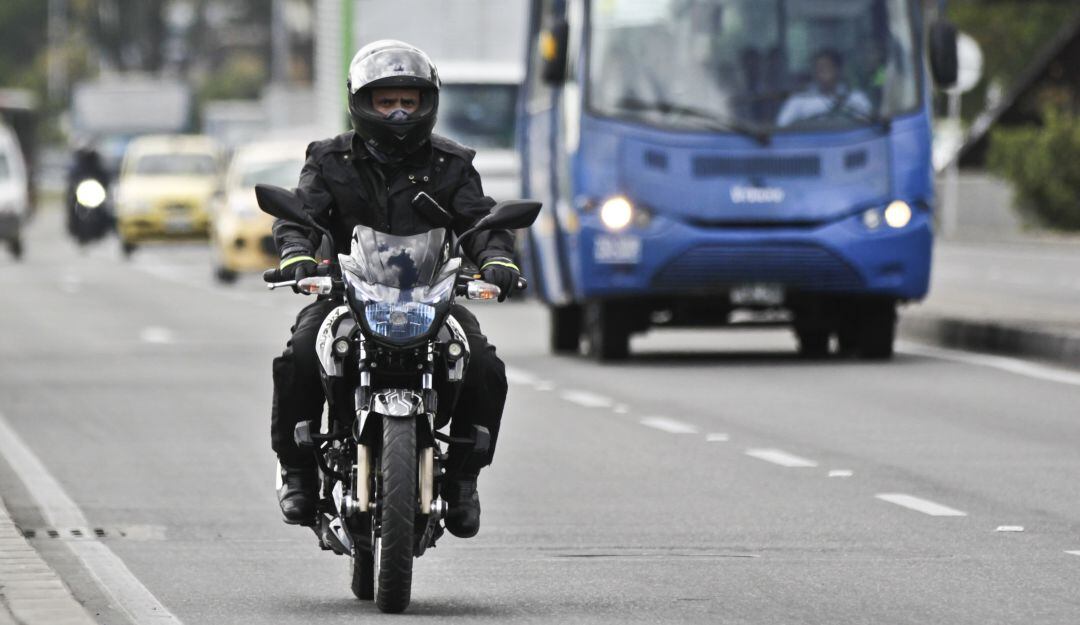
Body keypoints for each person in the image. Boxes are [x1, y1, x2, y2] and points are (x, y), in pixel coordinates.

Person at [269, 40, 521, 539]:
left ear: (428, 102)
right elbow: (300, 214)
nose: (400, 112)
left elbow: (480, 221)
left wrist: (496, 258)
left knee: (483, 364)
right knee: (300, 352)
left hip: (429, 296)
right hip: (347, 296)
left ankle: (464, 480)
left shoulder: (452, 163)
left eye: (409, 100)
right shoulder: (329, 159)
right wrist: (297, 253)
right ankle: (297, 471)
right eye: (387, 101)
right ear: (362, 102)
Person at [776, 49, 872, 128]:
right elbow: (781, 128)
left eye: (827, 67)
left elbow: (868, 125)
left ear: (838, 69)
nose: (823, 72)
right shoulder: (799, 99)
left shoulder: (855, 97)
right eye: (819, 68)